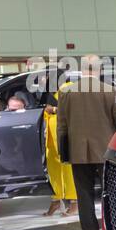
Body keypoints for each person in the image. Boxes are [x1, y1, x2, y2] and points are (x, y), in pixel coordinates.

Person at [57, 62, 116, 230]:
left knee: (83, 192)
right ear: (99, 71)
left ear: (82, 70)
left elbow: (62, 126)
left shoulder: (66, 92)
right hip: (107, 151)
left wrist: (63, 152)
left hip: (77, 150)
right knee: (110, 192)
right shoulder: (111, 91)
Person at [44, 85, 76, 217]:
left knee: (68, 168)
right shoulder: (49, 92)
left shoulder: (68, 88)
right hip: (50, 137)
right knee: (53, 170)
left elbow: (73, 109)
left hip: (64, 134)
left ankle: (74, 201)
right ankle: (56, 199)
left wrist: (54, 109)